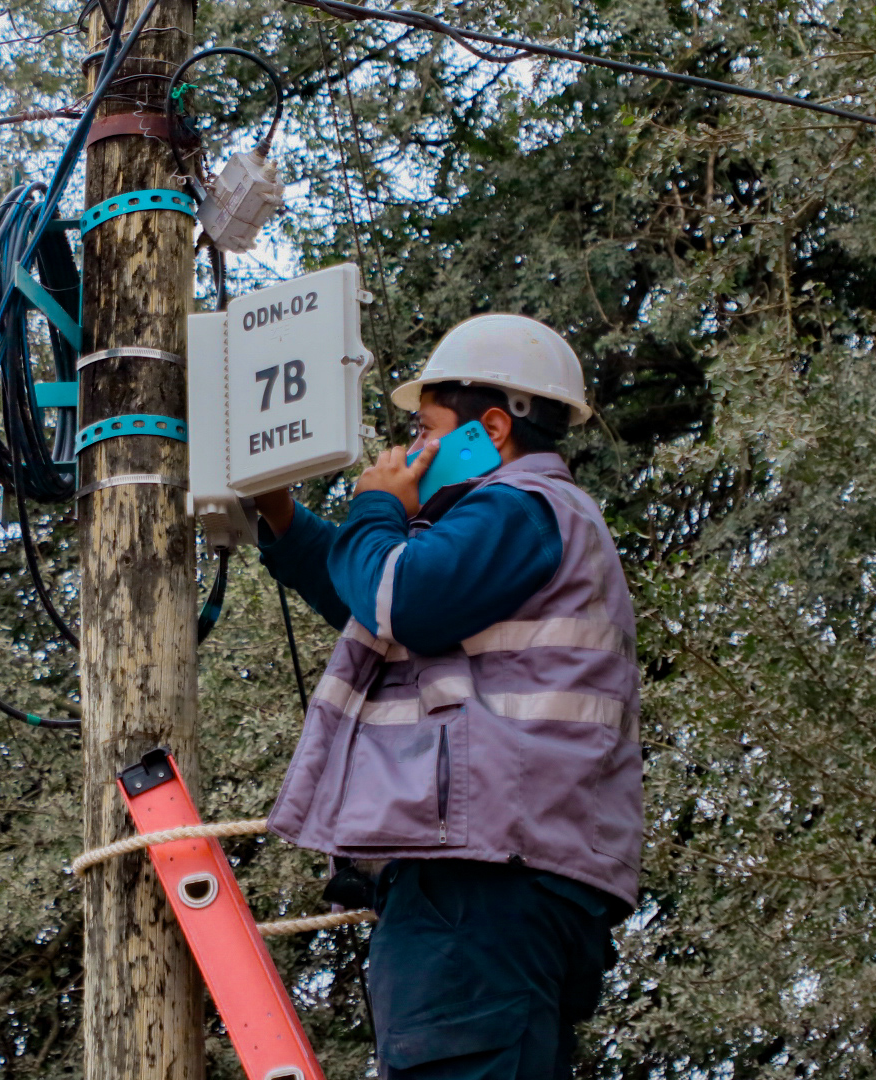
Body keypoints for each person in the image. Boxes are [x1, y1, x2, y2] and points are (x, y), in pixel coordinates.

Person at [255, 313, 643, 1080]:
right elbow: (378, 603)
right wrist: (282, 520)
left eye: (426, 430)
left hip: (483, 882)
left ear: (491, 428)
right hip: (512, 874)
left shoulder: (519, 505)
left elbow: (402, 597)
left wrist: (376, 504)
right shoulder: (523, 522)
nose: (411, 452)